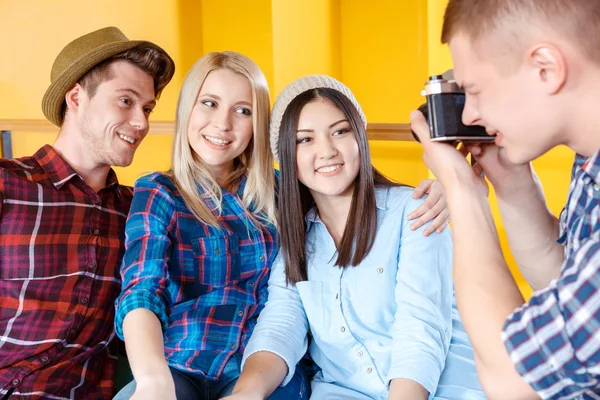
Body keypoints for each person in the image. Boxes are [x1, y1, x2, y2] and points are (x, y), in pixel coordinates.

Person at [228, 75, 485, 400]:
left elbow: (420, 327)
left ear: (360, 137)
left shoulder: (416, 211)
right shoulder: (295, 241)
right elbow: (282, 322)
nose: (327, 150)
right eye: (304, 140)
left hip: (443, 388)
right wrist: (245, 393)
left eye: (340, 131)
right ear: (286, 158)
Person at [410, 0, 600, 399]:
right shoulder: (590, 163)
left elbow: (514, 381)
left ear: (545, 68)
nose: (471, 114)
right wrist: (508, 179)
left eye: (474, 90)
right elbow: (559, 281)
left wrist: (462, 192)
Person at [112, 51, 307, 400]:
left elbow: (346, 193)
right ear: (188, 108)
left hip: (260, 367)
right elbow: (142, 289)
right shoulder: (159, 192)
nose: (223, 124)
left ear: (257, 123)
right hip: (177, 365)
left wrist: (431, 189)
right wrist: (153, 380)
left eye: (243, 110)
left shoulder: (283, 192)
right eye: (210, 103)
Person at [0, 27, 174, 399]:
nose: (142, 123)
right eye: (125, 101)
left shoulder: (142, 209)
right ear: (77, 96)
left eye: (146, 108)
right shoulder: (8, 183)